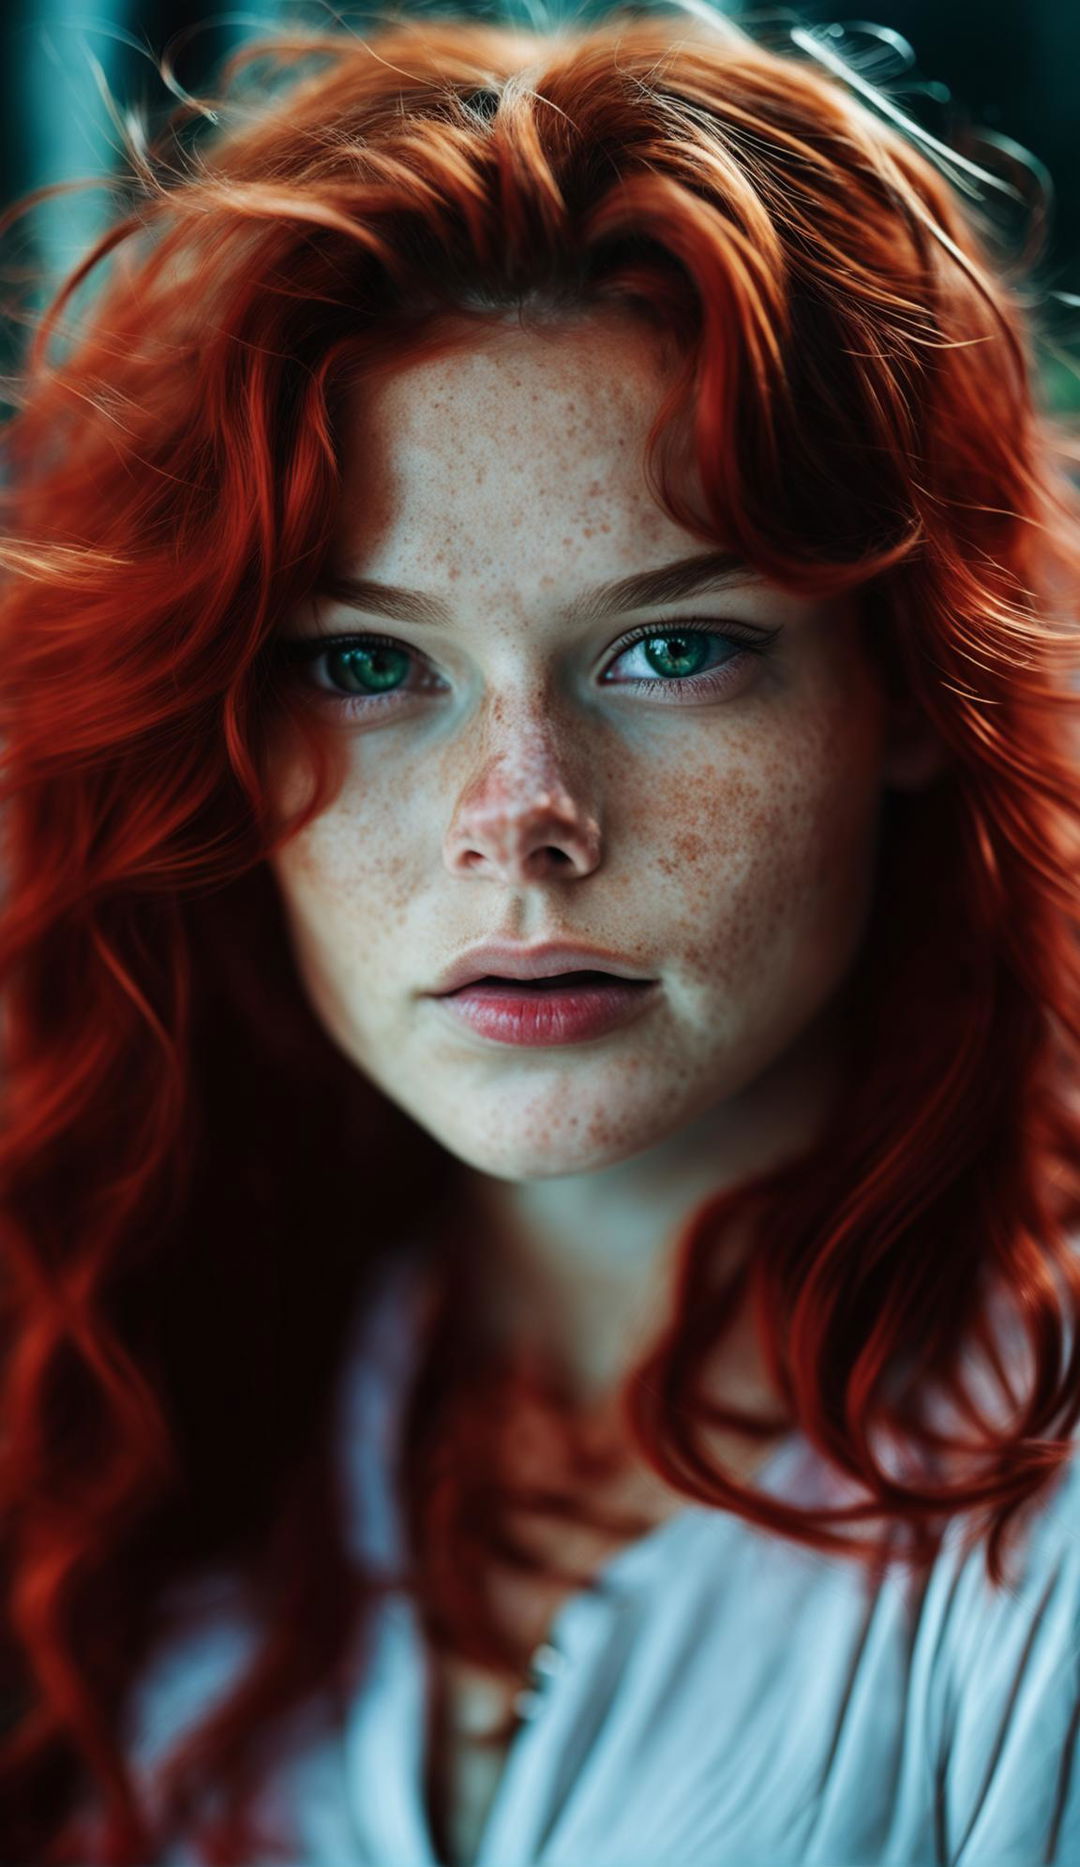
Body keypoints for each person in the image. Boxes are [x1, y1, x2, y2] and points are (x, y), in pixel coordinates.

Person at [1, 4, 1079, 1863]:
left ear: (907, 690)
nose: (524, 820)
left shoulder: (1045, 1514)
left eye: (674, 647)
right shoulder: (169, 1377)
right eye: (365, 664)